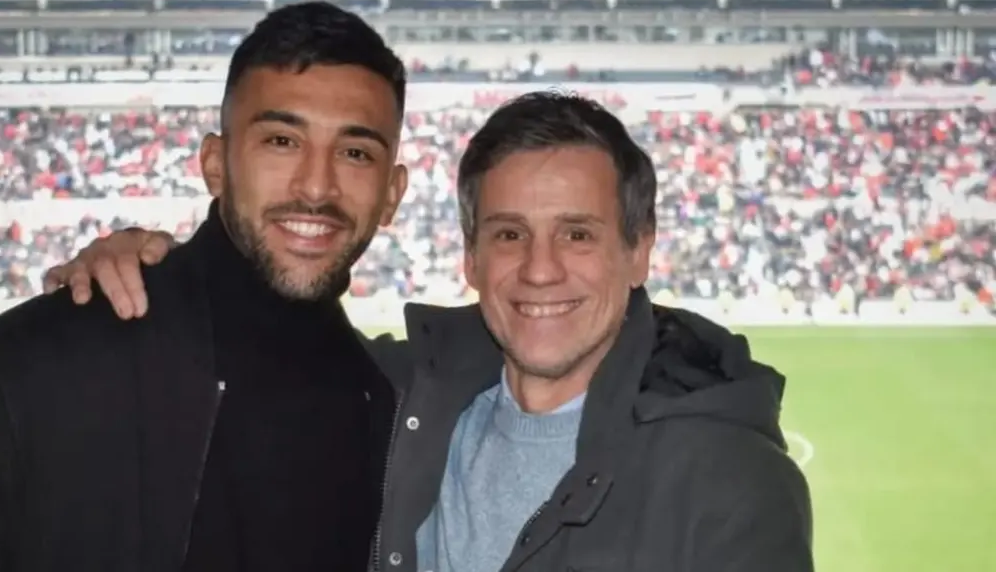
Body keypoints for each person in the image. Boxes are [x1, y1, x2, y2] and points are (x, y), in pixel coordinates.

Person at [45, 92, 815, 572]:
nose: (539, 270)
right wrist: (157, 269)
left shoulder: (730, 481)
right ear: (471, 258)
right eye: (509, 235)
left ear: (639, 250)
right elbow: (250, 351)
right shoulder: (400, 397)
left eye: (577, 234)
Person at [0, 1, 410, 572]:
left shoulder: (403, 412)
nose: (316, 187)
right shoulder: (22, 369)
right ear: (215, 164)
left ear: (392, 195)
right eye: (281, 141)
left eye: (355, 153)